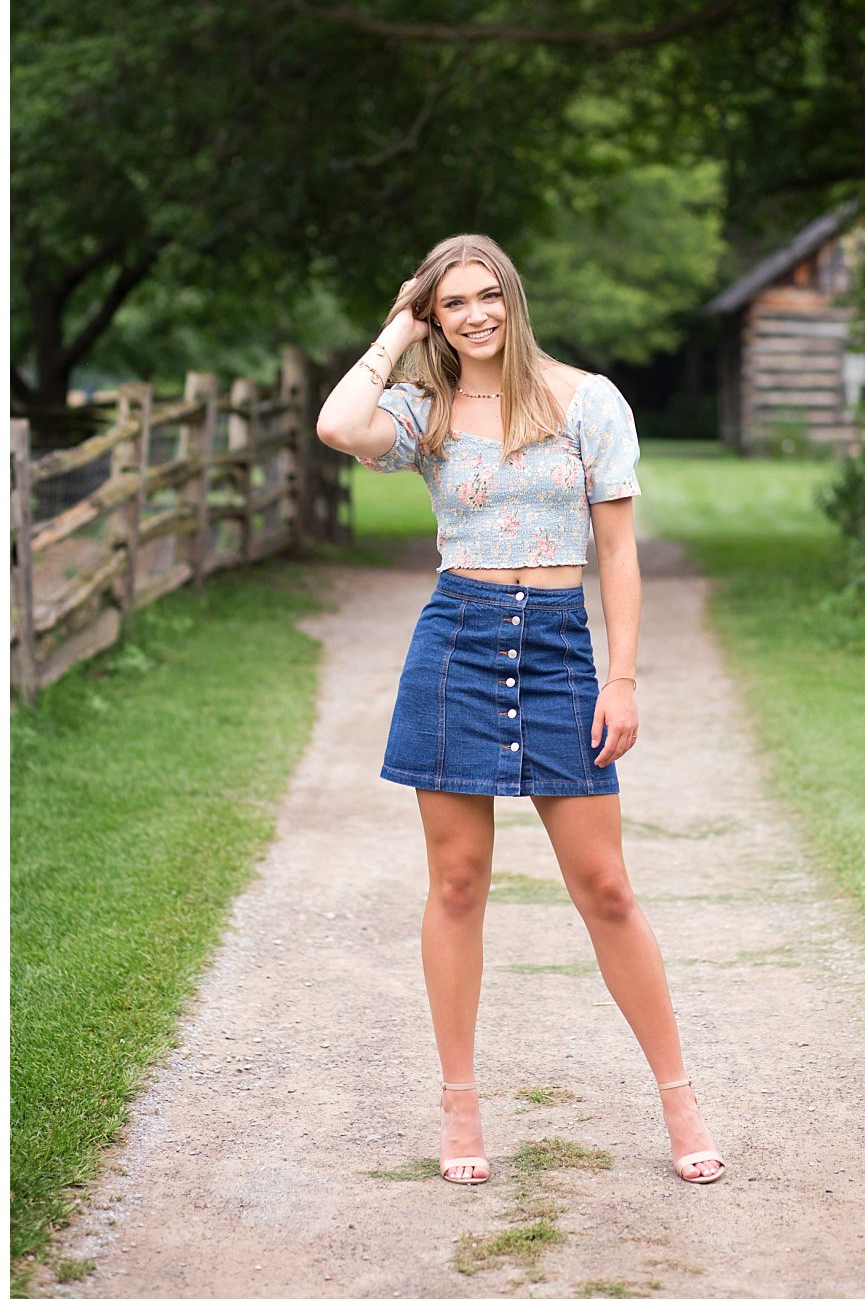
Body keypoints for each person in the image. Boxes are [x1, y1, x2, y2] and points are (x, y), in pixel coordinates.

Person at [314, 234, 724, 1186]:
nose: (476, 315)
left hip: (559, 651)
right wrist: (396, 332)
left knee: (607, 886)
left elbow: (617, 552)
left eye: (486, 294)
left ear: (513, 296)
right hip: (456, 643)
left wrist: (622, 677)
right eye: (452, 303)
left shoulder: (588, 401)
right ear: (434, 315)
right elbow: (338, 425)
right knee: (458, 884)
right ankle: (459, 1105)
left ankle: (679, 1099)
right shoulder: (420, 409)